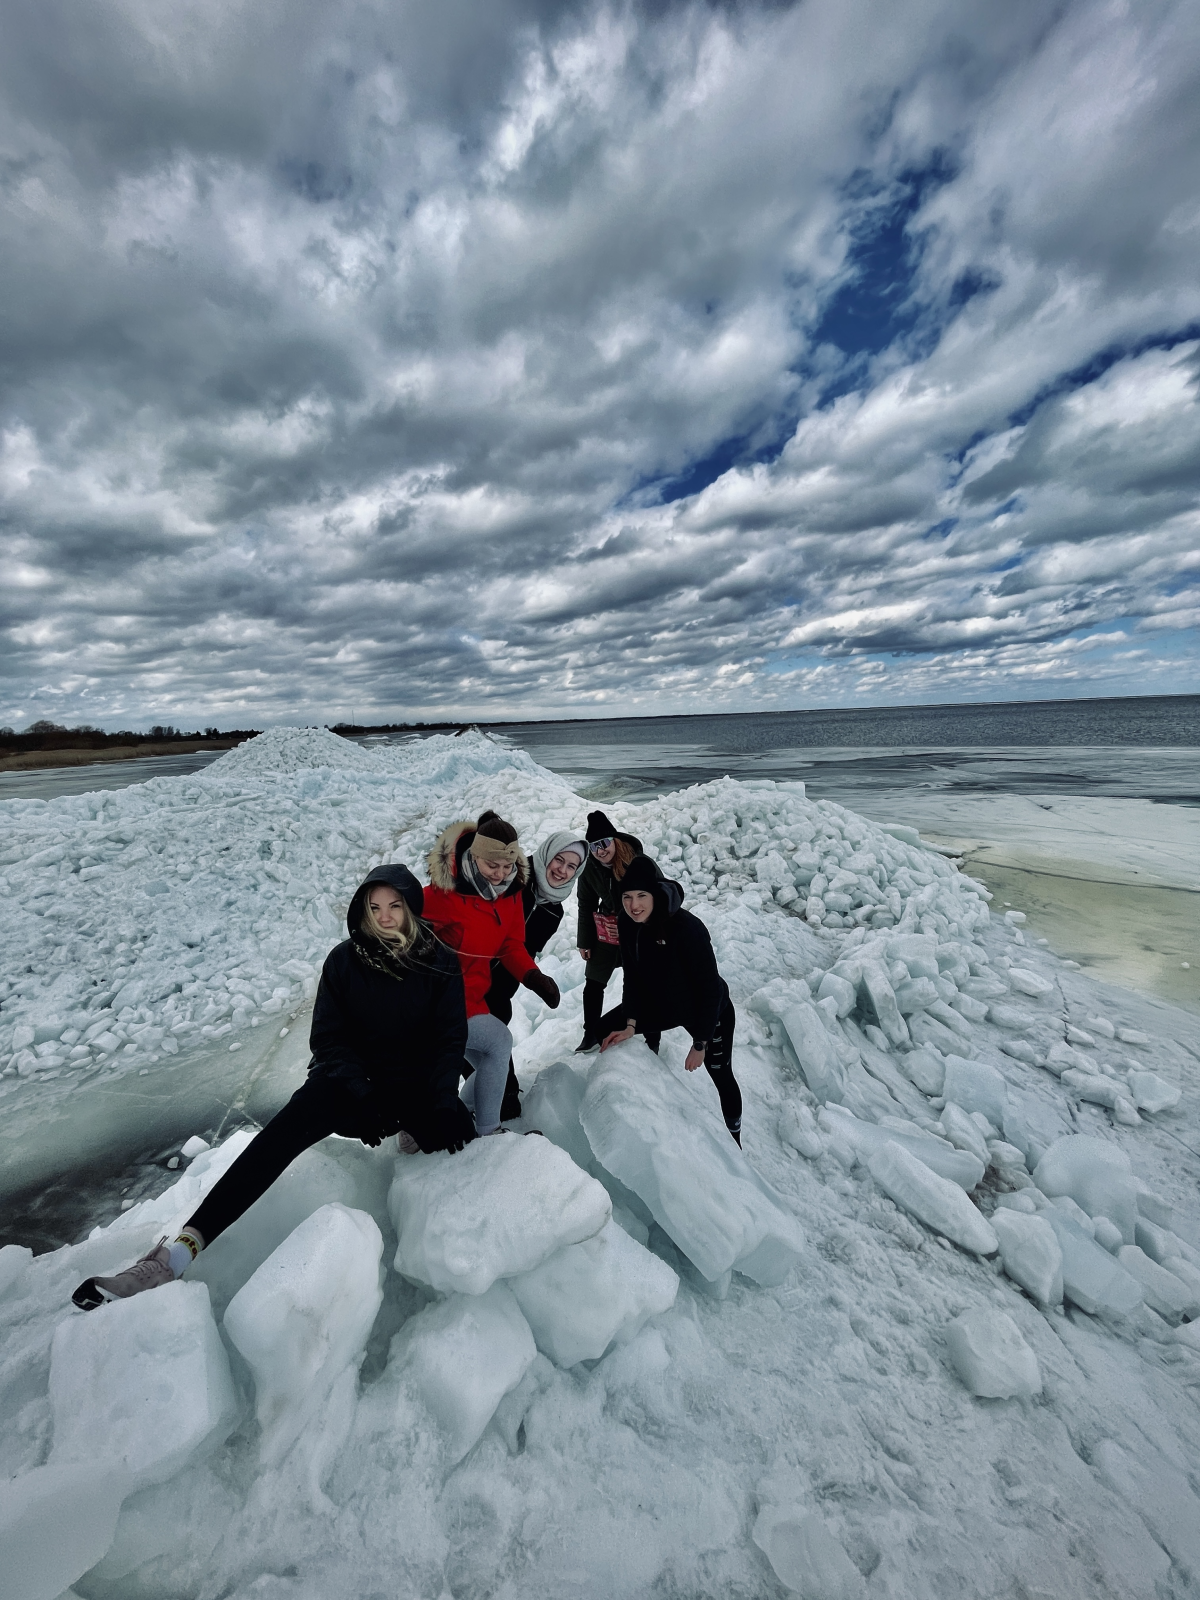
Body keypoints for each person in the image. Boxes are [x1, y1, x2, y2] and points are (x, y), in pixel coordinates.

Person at [73, 863, 476, 1311]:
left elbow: (447, 1040)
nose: (384, 916)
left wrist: (440, 1101)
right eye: (375, 907)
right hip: (350, 1084)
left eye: (394, 906)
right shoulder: (344, 961)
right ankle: (174, 1255)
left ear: (410, 907)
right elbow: (329, 1039)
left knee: (459, 1133)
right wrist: (363, 1095)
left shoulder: (437, 961)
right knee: (274, 1141)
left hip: (412, 1086)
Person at [422, 810, 561, 1136]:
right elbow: (395, 919)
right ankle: (428, 1123)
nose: (500, 874)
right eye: (492, 865)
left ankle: (477, 1123)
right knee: (481, 1049)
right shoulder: (443, 893)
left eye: (508, 866)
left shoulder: (511, 895)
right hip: (434, 1000)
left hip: (470, 998)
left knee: (493, 1050)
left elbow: (512, 945)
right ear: (475, 856)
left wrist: (533, 977)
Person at [599, 854, 743, 1146]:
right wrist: (631, 1024)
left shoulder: (687, 929)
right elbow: (633, 978)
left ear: (656, 893)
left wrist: (700, 1042)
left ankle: (734, 1138)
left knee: (720, 1074)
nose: (634, 905)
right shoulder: (627, 924)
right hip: (662, 1004)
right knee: (601, 1029)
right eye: (627, 897)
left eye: (642, 895)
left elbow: (709, 990)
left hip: (705, 1011)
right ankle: (648, 1067)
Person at [483, 831, 587, 1116]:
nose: (562, 871)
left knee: (493, 1044)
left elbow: (525, 952)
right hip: (465, 974)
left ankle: (500, 1099)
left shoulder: (554, 911)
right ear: (547, 854)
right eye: (559, 860)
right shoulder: (513, 878)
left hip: (500, 988)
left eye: (571, 867)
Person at [574, 809, 660, 1053]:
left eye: (604, 843)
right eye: (593, 846)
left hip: (640, 930)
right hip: (608, 930)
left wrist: (658, 934)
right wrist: (585, 941)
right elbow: (586, 904)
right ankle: (590, 1032)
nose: (600, 850)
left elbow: (661, 896)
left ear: (614, 840)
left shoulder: (637, 862)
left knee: (643, 983)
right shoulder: (589, 868)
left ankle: (653, 1040)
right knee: (593, 981)